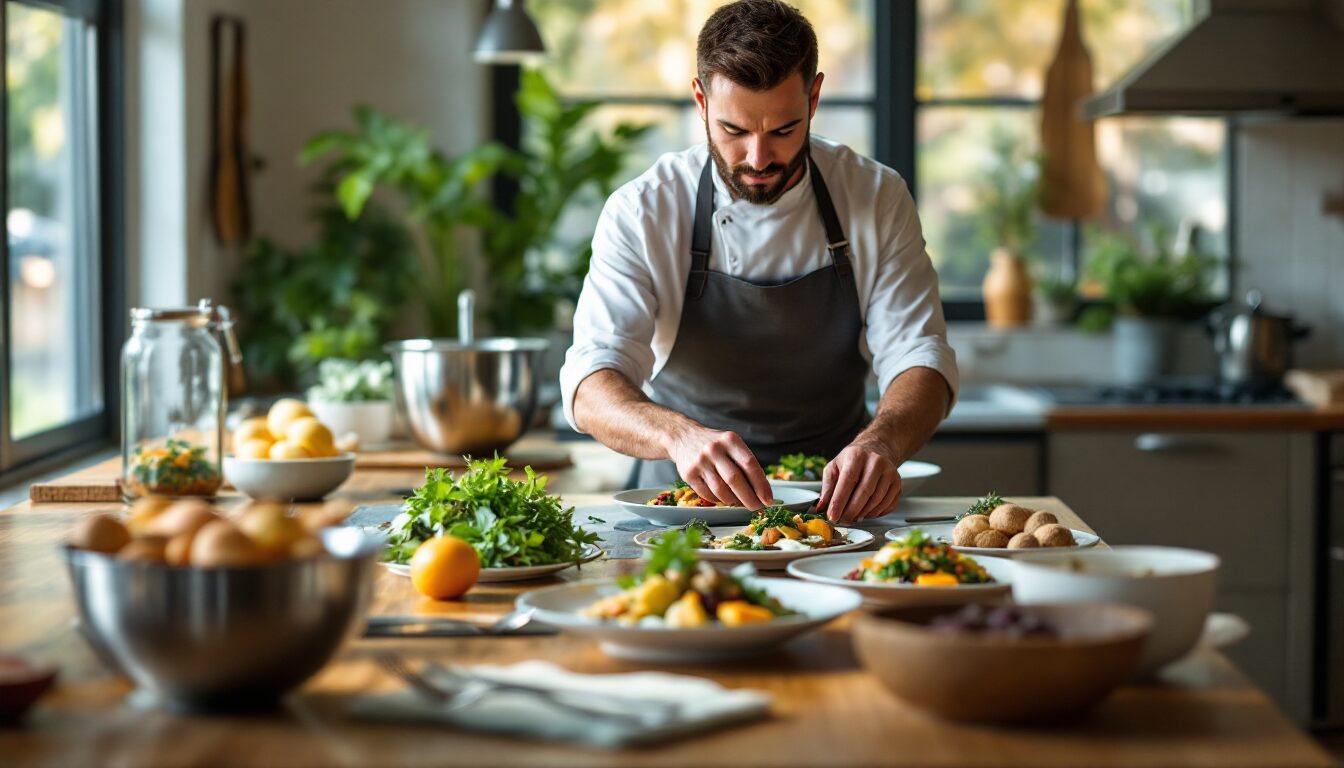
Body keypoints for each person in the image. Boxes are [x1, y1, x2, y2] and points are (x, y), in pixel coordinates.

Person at [559, 0, 958, 522]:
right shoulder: (645, 209)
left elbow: (919, 357)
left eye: (783, 131)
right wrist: (679, 436)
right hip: (683, 507)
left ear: (814, 97)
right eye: (734, 130)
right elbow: (592, 380)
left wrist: (881, 445)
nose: (758, 158)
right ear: (700, 99)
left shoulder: (875, 196)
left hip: (836, 508)